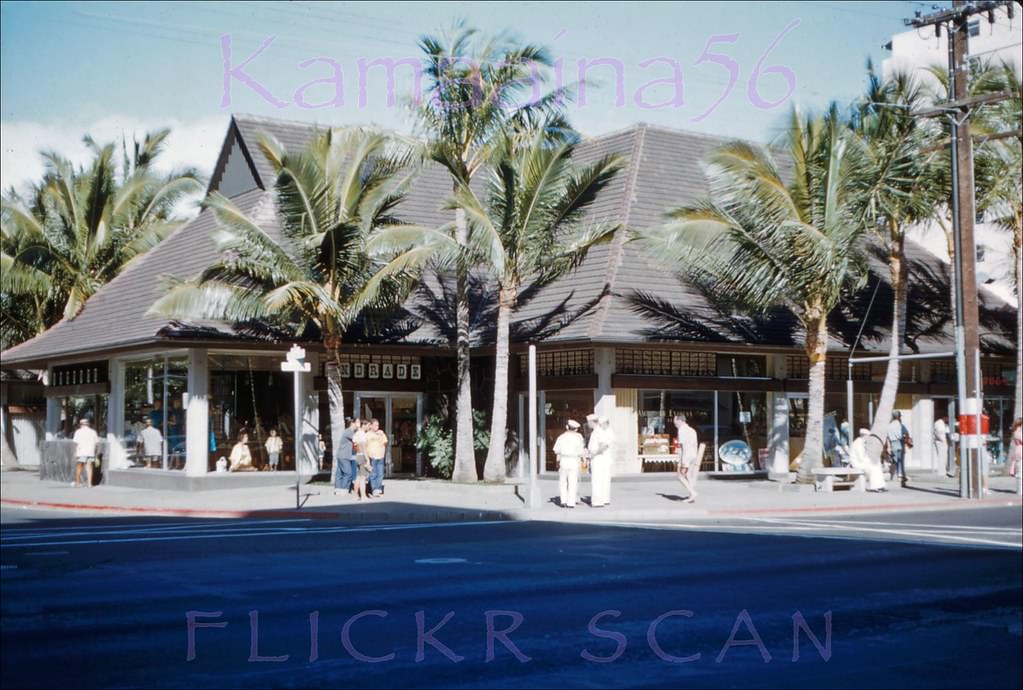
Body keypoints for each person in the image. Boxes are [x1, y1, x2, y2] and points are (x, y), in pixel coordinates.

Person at [553, 419, 586, 508]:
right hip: (574, 460)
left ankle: (563, 500)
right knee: (573, 482)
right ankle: (571, 502)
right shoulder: (578, 438)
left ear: (567, 427)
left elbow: (556, 450)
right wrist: (583, 459)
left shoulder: (561, 437)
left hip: (564, 460)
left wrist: (558, 461)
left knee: (563, 481)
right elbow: (581, 451)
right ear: (575, 429)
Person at [586, 414, 614, 508]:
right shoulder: (598, 431)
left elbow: (604, 445)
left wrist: (593, 454)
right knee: (602, 479)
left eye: (588, 422)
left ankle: (597, 501)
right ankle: (604, 499)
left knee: (597, 480)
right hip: (599, 457)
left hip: (598, 458)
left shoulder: (598, 431)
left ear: (592, 422)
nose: (588, 424)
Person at [674, 414, 701, 503]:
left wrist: (682, 461)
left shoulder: (681, 430)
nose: (674, 423)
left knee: (680, 475)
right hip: (693, 454)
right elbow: (695, 444)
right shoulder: (692, 430)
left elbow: (683, 446)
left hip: (686, 455)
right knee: (688, 475)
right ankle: (691, 494)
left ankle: (692, 492)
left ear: (680, 420)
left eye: (675, 421)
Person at [334, 417, 360, 496]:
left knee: (340, 473)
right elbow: (357, 439)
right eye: (358, 422)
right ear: (353, 423)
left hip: (343, 455)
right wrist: (360, 429)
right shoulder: (349, 431)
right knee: (348, 473)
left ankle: (338, 489)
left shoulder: (349, 431)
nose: (359, 424)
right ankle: (344, 489)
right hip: (344, 456)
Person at [885, 411, 911, 485]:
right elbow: (906, 434)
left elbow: (887, 437)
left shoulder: (889, 426)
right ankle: (901, 476)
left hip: (892, 444)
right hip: (900, 443)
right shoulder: (900, 425)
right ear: (899, 417)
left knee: (895, 461)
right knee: (901, 461)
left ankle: (895, 476)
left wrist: (888, 447)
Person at [72, 418, 99, 488]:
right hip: (90, 452)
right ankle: (89, 484)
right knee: (89, 467)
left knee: (79, 467)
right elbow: (96, 444)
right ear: (88, 424)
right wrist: (96, 453)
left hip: (81, 452)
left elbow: (76, 444)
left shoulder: (78, 432)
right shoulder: (93, 432)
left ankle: (77, 483)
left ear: (80, 424)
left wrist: (75, 452)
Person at [365, 418, 388, 497]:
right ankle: (374, 489)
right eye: (375, 425)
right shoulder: (367, 435)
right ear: (370, 426)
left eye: (377, 425)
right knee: (373, 473)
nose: (377, 427)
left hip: (380, 456)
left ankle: (378, 488)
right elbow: (365, 446)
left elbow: (385, 442)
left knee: (380, 473)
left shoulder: (380, 433)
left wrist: (383, 452)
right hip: (372, 456)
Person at [1009, 418, 1022, 495]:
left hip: (1019, 451)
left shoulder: (1017, 432)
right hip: (1020, 452)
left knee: (1020, 471)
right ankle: (1020, 490)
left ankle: (1020, 490)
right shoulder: (1018, 432)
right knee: (1020, 471)